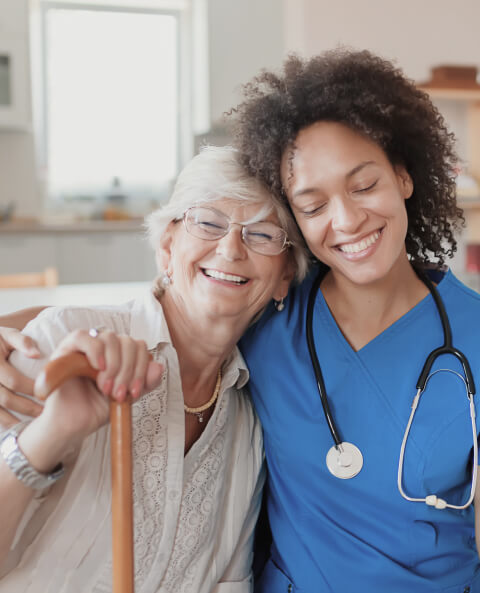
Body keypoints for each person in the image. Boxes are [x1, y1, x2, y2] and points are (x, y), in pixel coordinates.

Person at [0, 49, 480, 593]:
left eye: (364, 184)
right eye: (313, 205)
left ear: (405, 176)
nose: (346, 219)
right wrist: (17, 332)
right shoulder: (275, 315)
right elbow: (169, 305)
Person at [0, 145, 307, 593]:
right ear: (166, 247)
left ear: (284, 277)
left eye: (261, 234)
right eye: (207, 221)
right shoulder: (62, 346)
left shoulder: (250, 421)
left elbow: (228, 581)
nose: (230, 247)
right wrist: (52, 432)